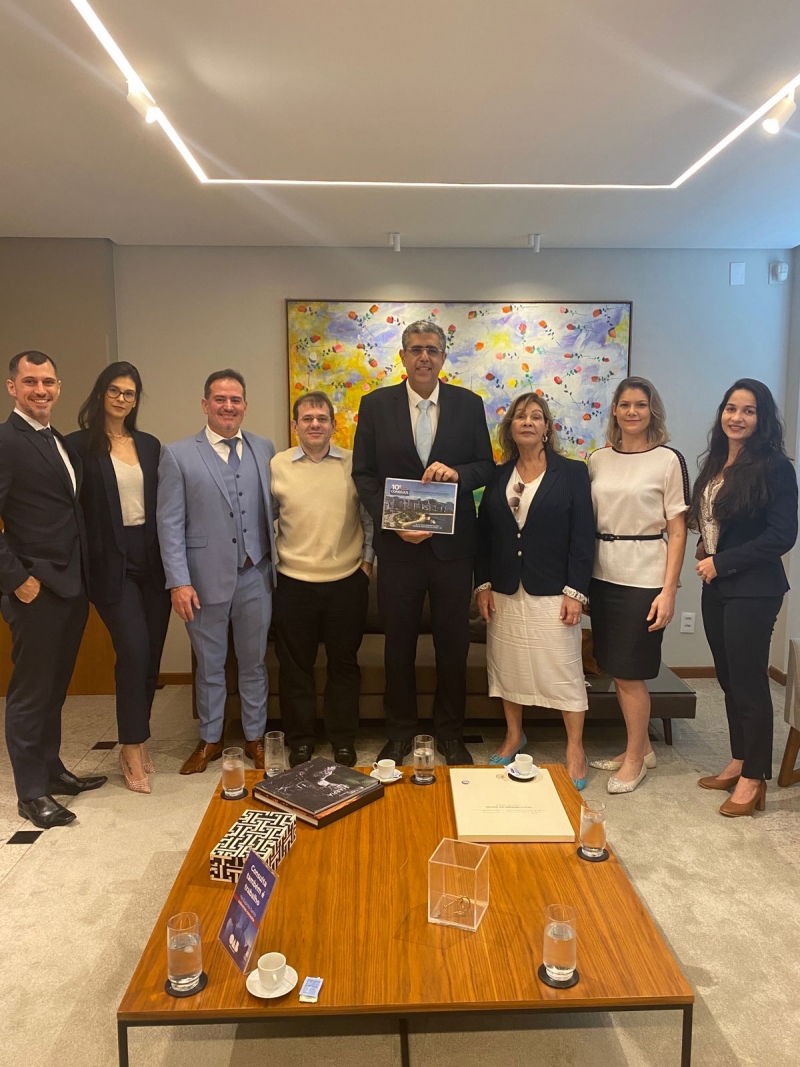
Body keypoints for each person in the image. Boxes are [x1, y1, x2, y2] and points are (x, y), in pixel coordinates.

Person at [352, 320, 495, 766]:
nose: (424, 357)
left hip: (453, 550)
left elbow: (485, 466)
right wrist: (392, 522)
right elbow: (364, 475)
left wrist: (458, 473)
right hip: (399, 550)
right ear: (403, 356)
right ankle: (399, 734)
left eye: (432, 350)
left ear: (443, 357)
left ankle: (450, 733)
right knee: (398, 646)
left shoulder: (468, 405)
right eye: (416, 349)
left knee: (453, 645)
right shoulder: (375, 406)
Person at [0, 351, 107, 828]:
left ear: (59, 387)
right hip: (35, 589)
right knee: (30, 693)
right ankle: (31, 794)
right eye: (30, 381)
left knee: (55, 688)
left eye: (47, 382)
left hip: (71, 586)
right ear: (12, 387)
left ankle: (51, 769)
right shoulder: (5, 440)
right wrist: (16, 579)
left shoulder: (57, 440)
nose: (40, 390)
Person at [157, 369, 276, 774]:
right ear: (205, 404)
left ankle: (255, 736)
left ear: (245, 406)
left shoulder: (264, 447)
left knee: (253, 664)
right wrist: (178, 581)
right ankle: (210, 738)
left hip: (256, 575)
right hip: (202, 581)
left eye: (235, 399)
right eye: (220, 399)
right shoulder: (177, 455)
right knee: (209, 665)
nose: (228, 406)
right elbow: (169, 524)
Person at [689, 379, 797, 817]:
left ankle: (755, 778)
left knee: (749, 682)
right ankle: (739, 759)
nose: (737, 417)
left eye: (748, 411)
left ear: (762, 418)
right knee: (729, 679)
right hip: (717, 586)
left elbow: (782, 535)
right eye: (731, 408)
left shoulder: (775, 466)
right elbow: (719, 519)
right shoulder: (718, 460)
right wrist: (707, 547)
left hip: (754, 589)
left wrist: (723, 561)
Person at [474, 393, 595, 786]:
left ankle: (575, 747)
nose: (528, 422)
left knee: (563, 670)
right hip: (505, 590)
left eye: (536, 416)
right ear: (510, 428)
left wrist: (575, 591)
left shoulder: (572, 472)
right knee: (508, 666)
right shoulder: (497, 475)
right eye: (520, 416)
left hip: (554, 591)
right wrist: (483, 584)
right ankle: (514, 735)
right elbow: (484, 535)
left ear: (546, 428)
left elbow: (583, 535)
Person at [66, 362, 171, 795]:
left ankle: (139, 735)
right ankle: (129, 746)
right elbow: (70, 510)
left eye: (130, 393)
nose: (122, 399)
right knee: (133, 648)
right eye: (115, 390)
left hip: (153, 559)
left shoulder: (149, 445)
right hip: (111, 563)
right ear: (100, 394)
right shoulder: (77, 446)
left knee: (151, 655)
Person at [587, 376, 688, 794]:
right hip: (601, 574)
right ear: (614, 410)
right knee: (613, 666)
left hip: (645, 577)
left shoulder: (667, 460)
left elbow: (677, 531)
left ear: (652, 411)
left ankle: (634, 761)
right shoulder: (597, 459)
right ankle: (642, 747)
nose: (632, 412)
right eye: (625, 404)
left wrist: (669, 590)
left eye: (640, 405)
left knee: (631, 673)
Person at [270, 391, 374, 768]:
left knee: (343, 665)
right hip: (293, 582)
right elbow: (265, 520)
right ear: (295, 425)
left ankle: (342, 739)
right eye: (307, 418)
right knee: (295, 668)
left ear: (333, 425)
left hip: (346, 581)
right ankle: (300, 741)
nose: (315, 424)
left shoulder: (352, 463)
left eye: (322, 418)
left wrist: (367, 563)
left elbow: (368, 517)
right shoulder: (277, 465)